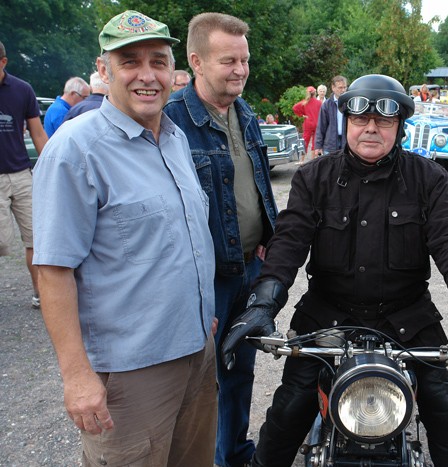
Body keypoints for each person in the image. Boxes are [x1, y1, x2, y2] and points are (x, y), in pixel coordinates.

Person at [221, 74, 448, 467]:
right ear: (347, 123)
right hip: (327, 316)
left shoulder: (428, 179)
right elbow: (288, 242)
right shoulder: (313, 177)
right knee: (287, 411)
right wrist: (262, 303)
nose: (371, 128)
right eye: (360, 120)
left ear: (399, 125)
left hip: (408, 316)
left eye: (384, 121)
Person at [32, 10, 218, 465]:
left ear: (174, 71)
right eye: (130, 61)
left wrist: (201, 309)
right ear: (103, 69)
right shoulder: (76, 151)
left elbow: (182, 238)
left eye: (157, 60)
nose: (147, 75)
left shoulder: (172, 137)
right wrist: (76, 377)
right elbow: (53, 270)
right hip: (131, 375)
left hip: (197, 353)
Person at [162, 12, 278, 467]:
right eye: (229, 60)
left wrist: (267, 234)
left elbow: (259, 182)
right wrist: (191, 290)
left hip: (250, 267)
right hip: (206, 279)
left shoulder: (244, 113)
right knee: (203, 383)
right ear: (196, 61)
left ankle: (235, 452)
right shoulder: (171, 122)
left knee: (241, 371)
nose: (241, 70)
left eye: (245, 59)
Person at [0, 40, 48, 309]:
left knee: (36, 237)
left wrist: (51, 166)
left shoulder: (22, 90)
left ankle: (41, 292)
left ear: (3, 62)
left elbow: (38, 132)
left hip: (20, 174)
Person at [314, 75, 347, 156]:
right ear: (333, 87)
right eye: (340, 87)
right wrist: (318, 146)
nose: (343, 90)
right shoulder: (326, 105)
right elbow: (321, 126)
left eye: (345, 87)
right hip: (330, 144)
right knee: (329, 168)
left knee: (345, 168)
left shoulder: (350, 103)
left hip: (347, 143)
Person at [293, 85, 322, 163]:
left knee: (305, 141)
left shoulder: (304, 102)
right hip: (317, 123)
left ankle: (301, 160)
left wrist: (302, 115)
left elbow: (295, 108)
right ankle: (313, 160)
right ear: (315, 93)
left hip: (308, 123)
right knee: (315, 142)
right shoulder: (319, 103)